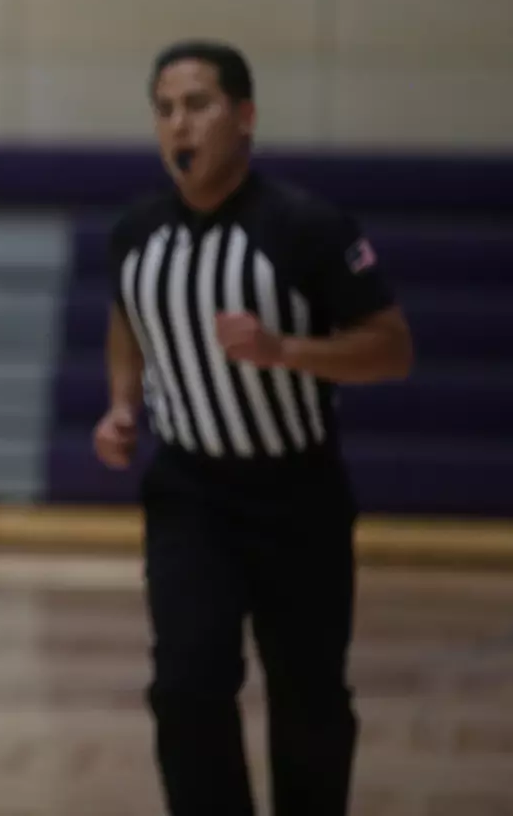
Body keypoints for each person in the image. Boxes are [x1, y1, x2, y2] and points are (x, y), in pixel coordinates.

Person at [94, 40, 415, 816]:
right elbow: (127, 319)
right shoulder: (137, 233)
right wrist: (123, 404)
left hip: (298, 494)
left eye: (198, 105)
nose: (180, 123)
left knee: (308, 697)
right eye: (166, 108)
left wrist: (285, 351)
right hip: (190, 494)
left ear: (244, 117)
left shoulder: (306, 226)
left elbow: (392, 349)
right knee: (185, 687)